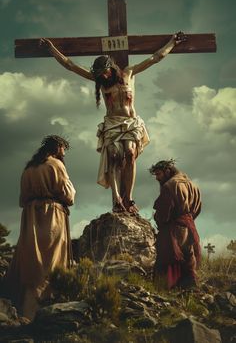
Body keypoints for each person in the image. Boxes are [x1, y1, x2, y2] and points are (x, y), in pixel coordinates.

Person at [40, 33, 186, 213]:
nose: (103, 76)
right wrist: (51, 49)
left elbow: (156, 57)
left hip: (131, 123)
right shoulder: (100, 82)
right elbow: (70, 65)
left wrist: (173, 42)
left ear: (112, 68)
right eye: (100, 74)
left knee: (130, 154)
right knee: (115, 157)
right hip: (111, 124)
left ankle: (129, 198)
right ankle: (117, 198)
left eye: (105, 72)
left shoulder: (129, 73)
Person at [5, 135, 76, 320]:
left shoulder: (29, 167)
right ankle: (47, 312)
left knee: (31, 261)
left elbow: (22, 199)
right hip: (51, 215)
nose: (64, 153)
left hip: (30, 217)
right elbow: (68, 195)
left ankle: (26, 310)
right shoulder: (56, 165)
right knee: (51, 262)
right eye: (63, 149)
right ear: (58, 147)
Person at [149, 159, 201, 290]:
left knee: (166, 259)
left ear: (167, 171)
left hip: (173, 231)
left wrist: (158, 219)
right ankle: (189, 292)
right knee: (188, 261)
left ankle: (165, 290)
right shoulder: (192, 185)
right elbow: (197, 208)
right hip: (189, 227)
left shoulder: (169, 186)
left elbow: (163, 214)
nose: (157, 178)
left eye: (158, 174)